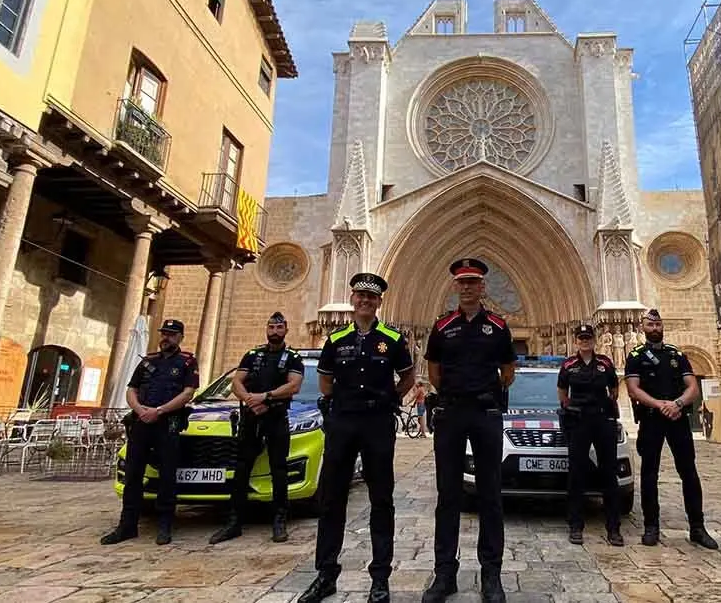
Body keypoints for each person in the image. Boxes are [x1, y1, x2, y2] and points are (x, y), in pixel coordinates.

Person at [298, 273, 415, 603]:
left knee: (382, 499)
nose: (365, 301)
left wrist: (390, 398)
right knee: (333, 499)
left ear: (379, 302)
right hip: (344, 422)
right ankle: (326, 575)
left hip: (377, 422)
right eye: (360, 296)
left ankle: (380, 578)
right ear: (352, 300)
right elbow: (324, 382)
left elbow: (407, 376)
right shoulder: (336, 339)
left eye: (371, 297)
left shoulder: (392, 338)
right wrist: (339, 410)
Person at [422, 258, 516, 603]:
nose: (467, 287)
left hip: (485, 411)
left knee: (491, 494)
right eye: (462, 282)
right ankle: (444, 573)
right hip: (452, 411)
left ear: (482, 287)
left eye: (473, 282)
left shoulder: (498, 326)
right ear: (455, 286)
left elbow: (508, 371)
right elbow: (433, 371)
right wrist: (455, 392)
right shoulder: (442, 326)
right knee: (447, 495)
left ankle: (491, 573)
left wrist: (484, 391)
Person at [624, 309, 718, 550]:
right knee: (649, 474)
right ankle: (651, 526)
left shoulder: (676, 354)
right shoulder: (636, 356)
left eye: (658, 324)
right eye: (650, 324)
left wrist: (677, 404)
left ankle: (697, 527)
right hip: (651, 419)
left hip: (677, 417)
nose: (655, 328)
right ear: (642, 328)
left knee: (689, 472)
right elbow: (633, 389)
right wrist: (659, 405)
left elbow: (692, 386)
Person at [101, 319, 199, 546]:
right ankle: (127, 525)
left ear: (180, 337)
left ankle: (165, 525)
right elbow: (131, 390)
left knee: (167, 475)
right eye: (164, 333)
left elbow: (188, 393)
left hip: (168, 423)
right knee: (133, 474)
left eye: (172, 334)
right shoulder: (147, 362)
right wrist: (140, 410)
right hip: (142, 422)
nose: (167, 338)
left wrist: (160, 411)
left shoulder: (187, 362)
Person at [209, 311, 304, 545]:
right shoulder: (253, 355)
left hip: (276, 417)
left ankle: (279, 520)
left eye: (279, 328)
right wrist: (251, 400)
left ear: (286, 330)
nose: (274, 332)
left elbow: (294, 386)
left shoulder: (292, 357)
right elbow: (236, 382)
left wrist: (266, 397)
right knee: (242, 467)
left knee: (279, 469)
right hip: (251, 417)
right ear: (266, 329)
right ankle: (234, 521)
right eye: (271, 327)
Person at [557, 323, 623, 546]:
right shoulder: (569, 365)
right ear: (575, 341)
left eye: (588, 338)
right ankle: (576, 526)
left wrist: (605, 408)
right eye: (581, 338)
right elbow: (563, 393)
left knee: (609, 472)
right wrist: (572, 408)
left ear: (594, 340)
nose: (585, 341)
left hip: (602, 420)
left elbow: (614, 389)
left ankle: (613, 528)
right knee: (577, 472)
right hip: (579, 421)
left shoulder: (605, 363)